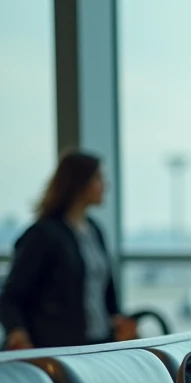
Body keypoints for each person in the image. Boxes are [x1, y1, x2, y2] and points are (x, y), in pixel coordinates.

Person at [1, 150, 136, 350]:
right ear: (80, 184)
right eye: (98, 178)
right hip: (59, 348)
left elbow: (103, 291)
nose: (105, 185)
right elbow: (11, 295)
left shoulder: (93, 229)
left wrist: (118, 321)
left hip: (99, 343)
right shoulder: (42, 234)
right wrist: (18, 334)